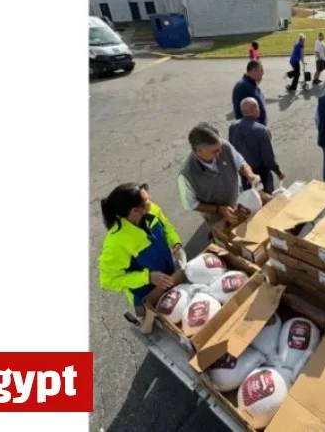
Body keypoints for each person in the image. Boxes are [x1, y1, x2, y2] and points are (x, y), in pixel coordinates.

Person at [98, 182, 183, 318]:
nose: (151, 200)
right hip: (147, 296)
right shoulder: (116, 243)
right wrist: (147, 277)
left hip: (169, 278)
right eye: (146, 201)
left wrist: (176, 243)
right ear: (135, 211)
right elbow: (108, 280)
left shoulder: (151, 210)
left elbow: (167, 226)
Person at [178, 123, 261, 227]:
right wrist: (219, 209)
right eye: (215, 151)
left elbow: (240, 163)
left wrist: (249, 174)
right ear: (199, 151)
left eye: (220, 147)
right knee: (225, 237)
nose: (220, 152)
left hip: (238, 199)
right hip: (216, 214)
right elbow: (190, 204)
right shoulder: (186, 175)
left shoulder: (223, 146)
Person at [228, 97, 284, 194]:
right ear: (253, 109)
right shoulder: (261, 130)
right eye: (258, 106)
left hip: (244, 173)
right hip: (260, 174)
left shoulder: (233, 126)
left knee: (250, 198)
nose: (260, 109)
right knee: (266, 199)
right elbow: (268, 158)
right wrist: (278, 172)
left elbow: (231, 148)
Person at [232, 60, 267, 125]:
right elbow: (241, 114)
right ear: (253, 71)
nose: (263, 73)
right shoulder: (243, 87)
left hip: (258, 129)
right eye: (261, 70)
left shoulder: (252, 84)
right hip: (252, 132)